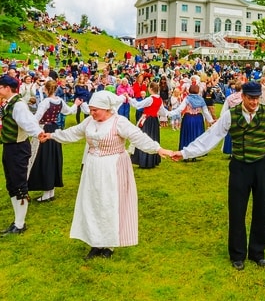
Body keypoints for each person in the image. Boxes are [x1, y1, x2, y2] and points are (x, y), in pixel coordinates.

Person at [172, 80, 265, 270]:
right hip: (239, 166)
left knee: (262, 209)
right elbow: (211, 137)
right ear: (242, 97)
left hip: (262, 166)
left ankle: (258, 253)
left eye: (257, 98)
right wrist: (185, 153)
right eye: (251, 99)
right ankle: (237, 254)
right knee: (237, 210)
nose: (255, 102)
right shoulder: (230, 116)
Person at [42, 91, 175, 259]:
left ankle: (109, 245)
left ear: (107, 109)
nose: (92, 113)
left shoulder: (120, 122)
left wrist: (158, 149)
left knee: (109, 204)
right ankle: (95, 242)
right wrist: (52, 135)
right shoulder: (90, 121)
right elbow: (73, 132)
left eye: (95, 110)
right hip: (92, 168)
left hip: (113, 168)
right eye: (91, 109)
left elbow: (138, 137)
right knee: (92, 203)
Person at [0, 75, 44, 235]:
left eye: (0, 87)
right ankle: (17, 221)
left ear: (8, 88)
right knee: (12, 184)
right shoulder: (9, 103)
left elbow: (29, 122)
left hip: (18, 148)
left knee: (19, 184)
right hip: (9, 147)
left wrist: (39, 134)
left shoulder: (19, 105)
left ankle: (20, 224)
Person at [29, 80, 78, 203]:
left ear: (45, 89)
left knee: (43, 159)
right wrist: (76, 104)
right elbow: (69, 111)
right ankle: (50, 191)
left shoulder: (45, 102)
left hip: (44, 130)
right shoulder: (60, 101)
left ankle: (47, 192)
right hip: (54, 129)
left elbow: (37, 118)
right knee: (53, 158)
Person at [129, 81, 165, 169]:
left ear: (151, 89)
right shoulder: (159, 99)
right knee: (153, 138)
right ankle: (152, 161)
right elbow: (162, 112)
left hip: (147, 120)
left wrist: (129, 99)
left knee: (144, 138)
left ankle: (144, 161)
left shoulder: (150, 99)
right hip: (154, 121)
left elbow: (138, 105)